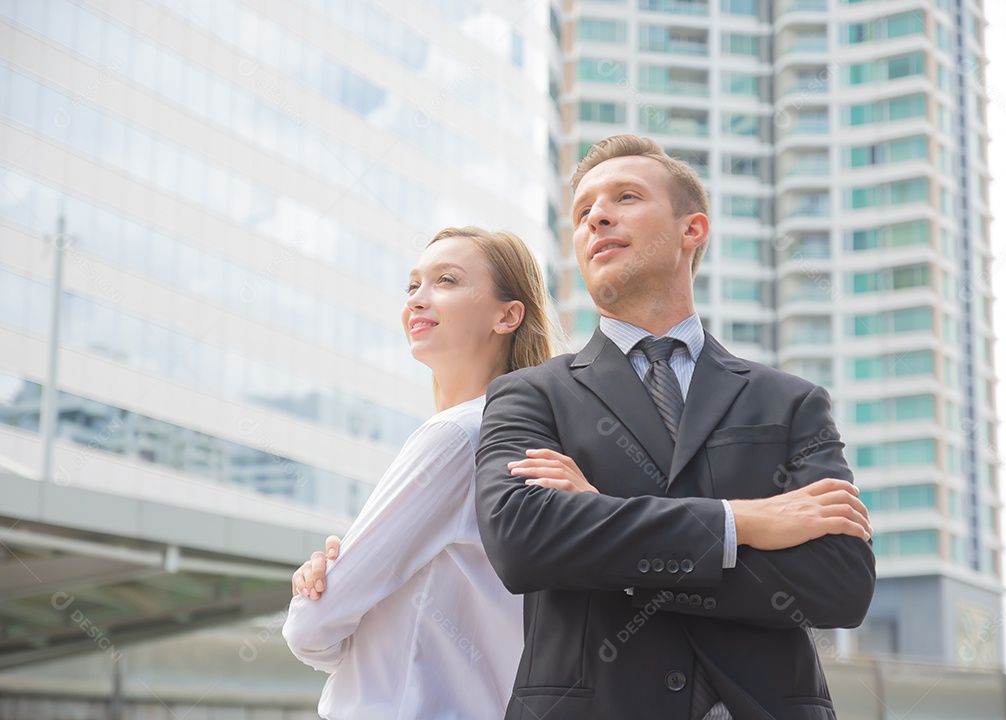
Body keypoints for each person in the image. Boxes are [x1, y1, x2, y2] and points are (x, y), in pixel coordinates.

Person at [474, 135, 876, 720]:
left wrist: (602, 524)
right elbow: (520, 539)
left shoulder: (791, 403)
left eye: (626, 197)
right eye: (583, 211)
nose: (597, 217)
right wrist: (741, 523)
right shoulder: (530, 394)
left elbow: (840, 582)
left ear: (693, 230)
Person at [281, 226, 560, 720]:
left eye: (446, 281)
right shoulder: (531, 438)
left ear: (508, 315)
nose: (418, 300)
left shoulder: (453, 438)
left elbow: (310, 629)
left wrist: (320, 599)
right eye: (413, 286)